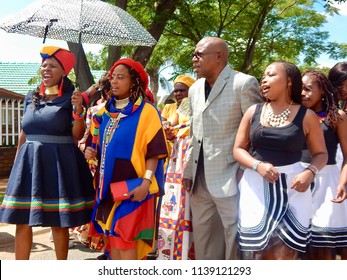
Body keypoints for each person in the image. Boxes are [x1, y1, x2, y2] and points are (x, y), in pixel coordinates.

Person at [0, 46, 95, 260]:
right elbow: (24, 132)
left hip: (57, 164)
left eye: (52, 66)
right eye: (44, 65)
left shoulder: (73, 97)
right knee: (22, 219)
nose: (46, 69)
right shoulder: (30, 97)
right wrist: (17, 164)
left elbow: (77, 136)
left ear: (64, 71)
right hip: (28, 163)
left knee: (57, 220)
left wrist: (79, 111)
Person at [233, 61, 328, 260]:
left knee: (286, 253)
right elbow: (238, 149)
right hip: (256, 188)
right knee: (257, 253)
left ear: (289, 82)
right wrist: (257, 165)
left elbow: (321, 154)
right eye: (263, 76)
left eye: (271, 74)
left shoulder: (306, 116)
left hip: (294, 190)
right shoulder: (253, 111)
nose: (264, 79)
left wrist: (309, 173)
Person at [182, 36, 262, 260]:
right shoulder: (195, 88)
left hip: (232, 175)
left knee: (234, 238)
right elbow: (193, 133)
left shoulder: (243, 83)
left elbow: (255, 133)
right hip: (199, 178)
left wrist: (243, 171)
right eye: (193, 54)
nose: (194, 58)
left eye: (199, 54)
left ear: (219, 57)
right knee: (204, 238)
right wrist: (189, 171)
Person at [84, 58, 168, 260]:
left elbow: (154, 153)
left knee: (127, 242)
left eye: (120, 77)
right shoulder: (103, 113)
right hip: (107, 190)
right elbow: (92, 143)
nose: (114, 81)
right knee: (113, 245)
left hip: (134, 189)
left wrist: (146, 183)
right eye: (112, 77)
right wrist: (90, 152)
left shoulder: (147, 112)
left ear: (134, 82)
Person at [301, 69, 347, 260]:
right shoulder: (295, 115)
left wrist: (342, 183)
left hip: (328, 184)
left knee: (325, 243)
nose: (303, 93)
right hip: (299, 182)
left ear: (323, 90)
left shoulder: (338, 116)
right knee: (302, 245)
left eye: (308, 89)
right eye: (300, 89)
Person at [157, 74, 196, 260]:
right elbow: (168, 131)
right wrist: (167, 129)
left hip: (189, 158)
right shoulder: (170, 107)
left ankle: (189, 253)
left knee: (189, 205)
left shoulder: (196, 107)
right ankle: (169, 253)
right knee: (173, 205)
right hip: (173, 161)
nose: (179, 93)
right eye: (176, 90)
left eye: (183, 90)